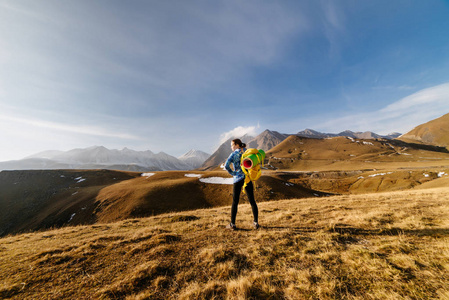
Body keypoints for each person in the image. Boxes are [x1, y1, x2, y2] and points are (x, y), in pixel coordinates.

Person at [224, 139, 259, 230]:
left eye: (232, 145)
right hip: (247, 178)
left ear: (236, 145)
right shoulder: (246, 153)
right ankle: (255, 223)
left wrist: (233, 173)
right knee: (252, 200)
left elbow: (226, 166)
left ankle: (233, 224)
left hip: (237, 179)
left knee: (235, 202)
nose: (231, 147)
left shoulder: (233, 154)